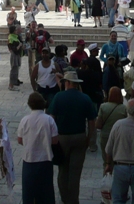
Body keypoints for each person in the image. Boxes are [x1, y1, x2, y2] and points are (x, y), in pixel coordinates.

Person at [48, 70, 97, 204]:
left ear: (67, 83)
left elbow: (51, 118)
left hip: (62, 138)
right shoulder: (85, 98)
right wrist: (89, 139)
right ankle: (73, 200)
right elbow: (92, 122)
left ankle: (65, 198)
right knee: (75, 172)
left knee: (63, 170)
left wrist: (52, 138)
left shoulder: (58, 97)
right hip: (79, 136)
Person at [17, 92, 58, 204]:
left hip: (29, 160)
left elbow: (20, 140)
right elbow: (55, 140)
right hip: (45, 159)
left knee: (29, 191)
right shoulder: (49, 120)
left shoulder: (25, 120)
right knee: (46, 191)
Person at [96, 87, 127, 165]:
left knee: (106, 160)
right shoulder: (124, 108)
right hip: (119, 136)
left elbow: (98, 125)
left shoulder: (103, 106)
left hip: (106, 135)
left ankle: (107, 170)